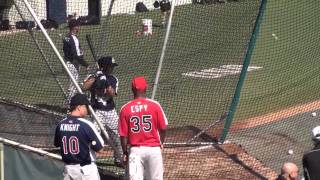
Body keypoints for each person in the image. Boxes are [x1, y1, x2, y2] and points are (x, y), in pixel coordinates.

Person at [119, 76, 168, 180]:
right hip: (154, 150)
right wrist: (161, 143)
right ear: (146, 88)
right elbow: (163, 128)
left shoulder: (125, 108)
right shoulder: (155, 105)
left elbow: (123, 135)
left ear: (132, 89)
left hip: (135, 151)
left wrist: (125, 152)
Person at [82, 56, 123, 166]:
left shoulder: (113, 79)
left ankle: (119, 159)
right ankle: (90, 158)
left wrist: (106, 81)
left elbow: (112, 94)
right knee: (93, 135)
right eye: (110, 66)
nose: (112, 68)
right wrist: (96, 76)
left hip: (110, 111)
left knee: (118, 135)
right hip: (96, 111)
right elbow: (84, 87)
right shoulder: (93, 76)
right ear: (104, 67)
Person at [54, 93, 104, 180]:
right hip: (86, 171)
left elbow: (57, 144)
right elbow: (100, 149)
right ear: (79, 107)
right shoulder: (86, 125)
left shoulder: (60, 124)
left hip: (68, 171)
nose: (87, 109)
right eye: (86, 106)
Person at [63, 19, 89, 103]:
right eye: (78, 26)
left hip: (68, 63)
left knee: (73, 85)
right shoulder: (73, 38)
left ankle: (72, 104)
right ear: (75, 27)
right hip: (72, 64)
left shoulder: (67, 37)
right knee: (73, 86)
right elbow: (75, 55)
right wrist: (85, 64)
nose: (79, 28)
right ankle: (69, 107)